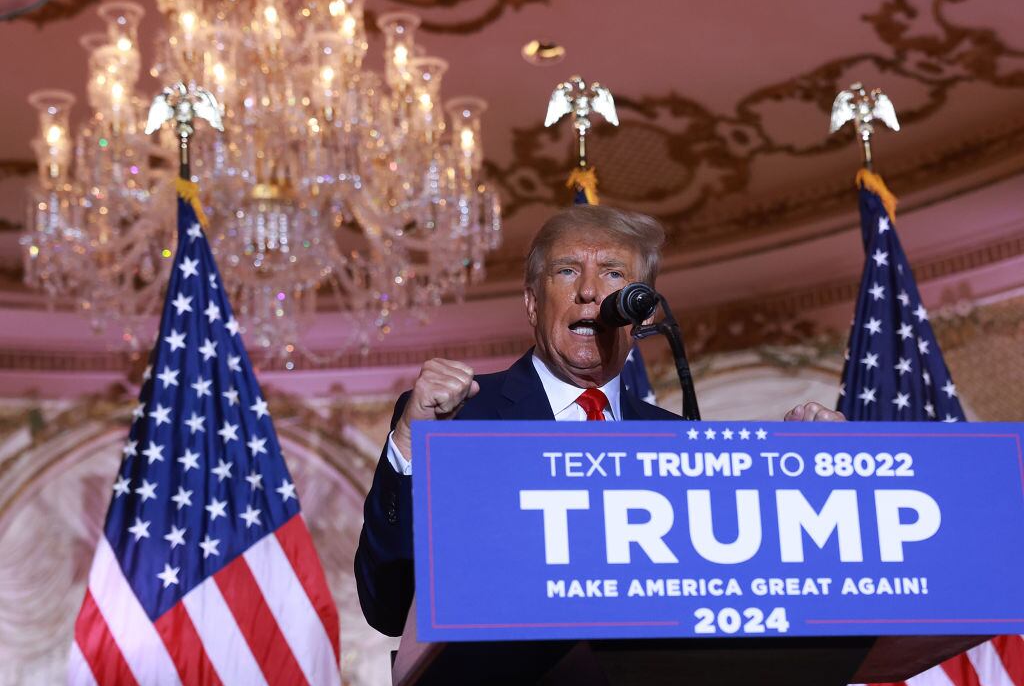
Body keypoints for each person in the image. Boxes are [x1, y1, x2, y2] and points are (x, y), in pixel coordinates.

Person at [354, 204, 843, 637]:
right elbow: (389, 605)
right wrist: (411, 443)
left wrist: (812, 474)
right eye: (567, 271)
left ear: (641, 310)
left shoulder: (680, 445)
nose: (590, 291)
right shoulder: (458, 418)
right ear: (531, 303)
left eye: (613, 274)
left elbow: (744, 592)